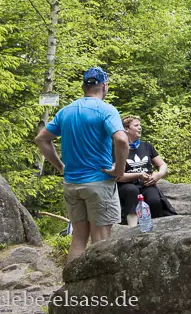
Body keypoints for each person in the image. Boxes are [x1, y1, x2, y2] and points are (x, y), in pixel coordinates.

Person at [34, 67, 128, 261]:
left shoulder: (66, 111)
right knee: (101, 240)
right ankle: (99, 289)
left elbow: (41, 139)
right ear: (104, 86)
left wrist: (60, 167)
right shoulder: (106, 110)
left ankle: (72, 289)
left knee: (78, 238)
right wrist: (119, 169)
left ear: (84, 87)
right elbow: (121, 140)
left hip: (72, 184)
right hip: (99, 183)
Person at [116, 116, 176, 226]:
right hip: (127, 184)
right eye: (136, 125)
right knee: (131, 192)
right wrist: (138, 175)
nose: (140, 128)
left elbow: (162, 165)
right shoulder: (119, 148)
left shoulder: (147, 146)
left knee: (154, 200)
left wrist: (158, 175)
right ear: (126, 129)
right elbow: (117, 176)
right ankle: (131, 228)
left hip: (147, 183)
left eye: (140, 125)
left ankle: (157, 228)